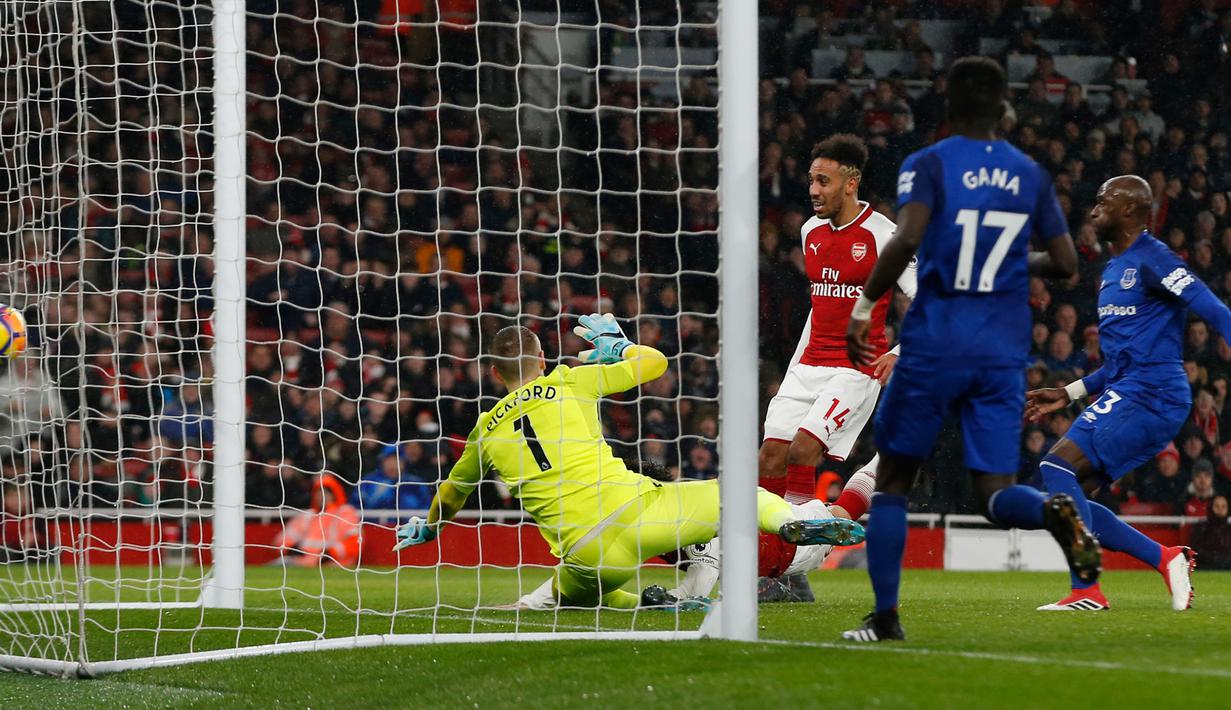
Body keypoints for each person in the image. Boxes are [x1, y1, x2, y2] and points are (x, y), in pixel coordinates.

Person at [842, 57, 1081, 642]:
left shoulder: (930, 162)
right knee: (994, 492)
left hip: (934, 346)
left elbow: (908, 237)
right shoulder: (1030, 173)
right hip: (1000, 354)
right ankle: (1051, 511)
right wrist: (1008, 261)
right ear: (1003, 107)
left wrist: (864, 303)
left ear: (947, 105)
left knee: (894, 476)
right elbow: (1069, 265)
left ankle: (886, 617)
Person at [393, 317, 863, 609]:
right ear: (542, 357)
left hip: (589, 558)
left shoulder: (484, 429)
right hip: (641, 516)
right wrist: (620, 347)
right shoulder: (570, 380)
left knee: (573, 598)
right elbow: (655, 363)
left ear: (495, 373)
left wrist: (430, 528)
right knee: (741, 496)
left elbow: (453, 495)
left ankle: (647, 603)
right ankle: (788, 523)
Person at [1024, 174, 1231, 611]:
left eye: (1105, 201)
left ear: (1133, 211)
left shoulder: (1155, 258)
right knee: (1064, 493)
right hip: (1134, 388)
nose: (1094, 208)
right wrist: (1069, 391)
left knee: (1055, 466)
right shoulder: (1112, 270)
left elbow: (1213, 309)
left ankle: (1086, 590)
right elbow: (1119, 363)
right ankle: (1166, 557)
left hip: (1153, 392)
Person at [757, 133, 916, 602]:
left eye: (823, 181)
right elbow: (819, 306)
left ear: (851, 183)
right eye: (811, 180)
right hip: (808, 364)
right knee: (769, 457)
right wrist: (797, 365)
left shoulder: (885, 236)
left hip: (857, 368)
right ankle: (779, 572)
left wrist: (898, 353)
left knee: (805, 449)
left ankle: (788, 566)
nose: (813, 190)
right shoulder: (810, 233)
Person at [272, 475, 362, 568]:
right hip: (302, 562)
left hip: (334, 564)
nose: (321, 496)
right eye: (318, 492)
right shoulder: (308, 515)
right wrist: (291, 548)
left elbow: (354, 542)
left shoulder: (345, 512)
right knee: (275, 568)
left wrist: (330, 554)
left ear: (334, 494)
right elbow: (282, 540)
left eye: (325, 493)